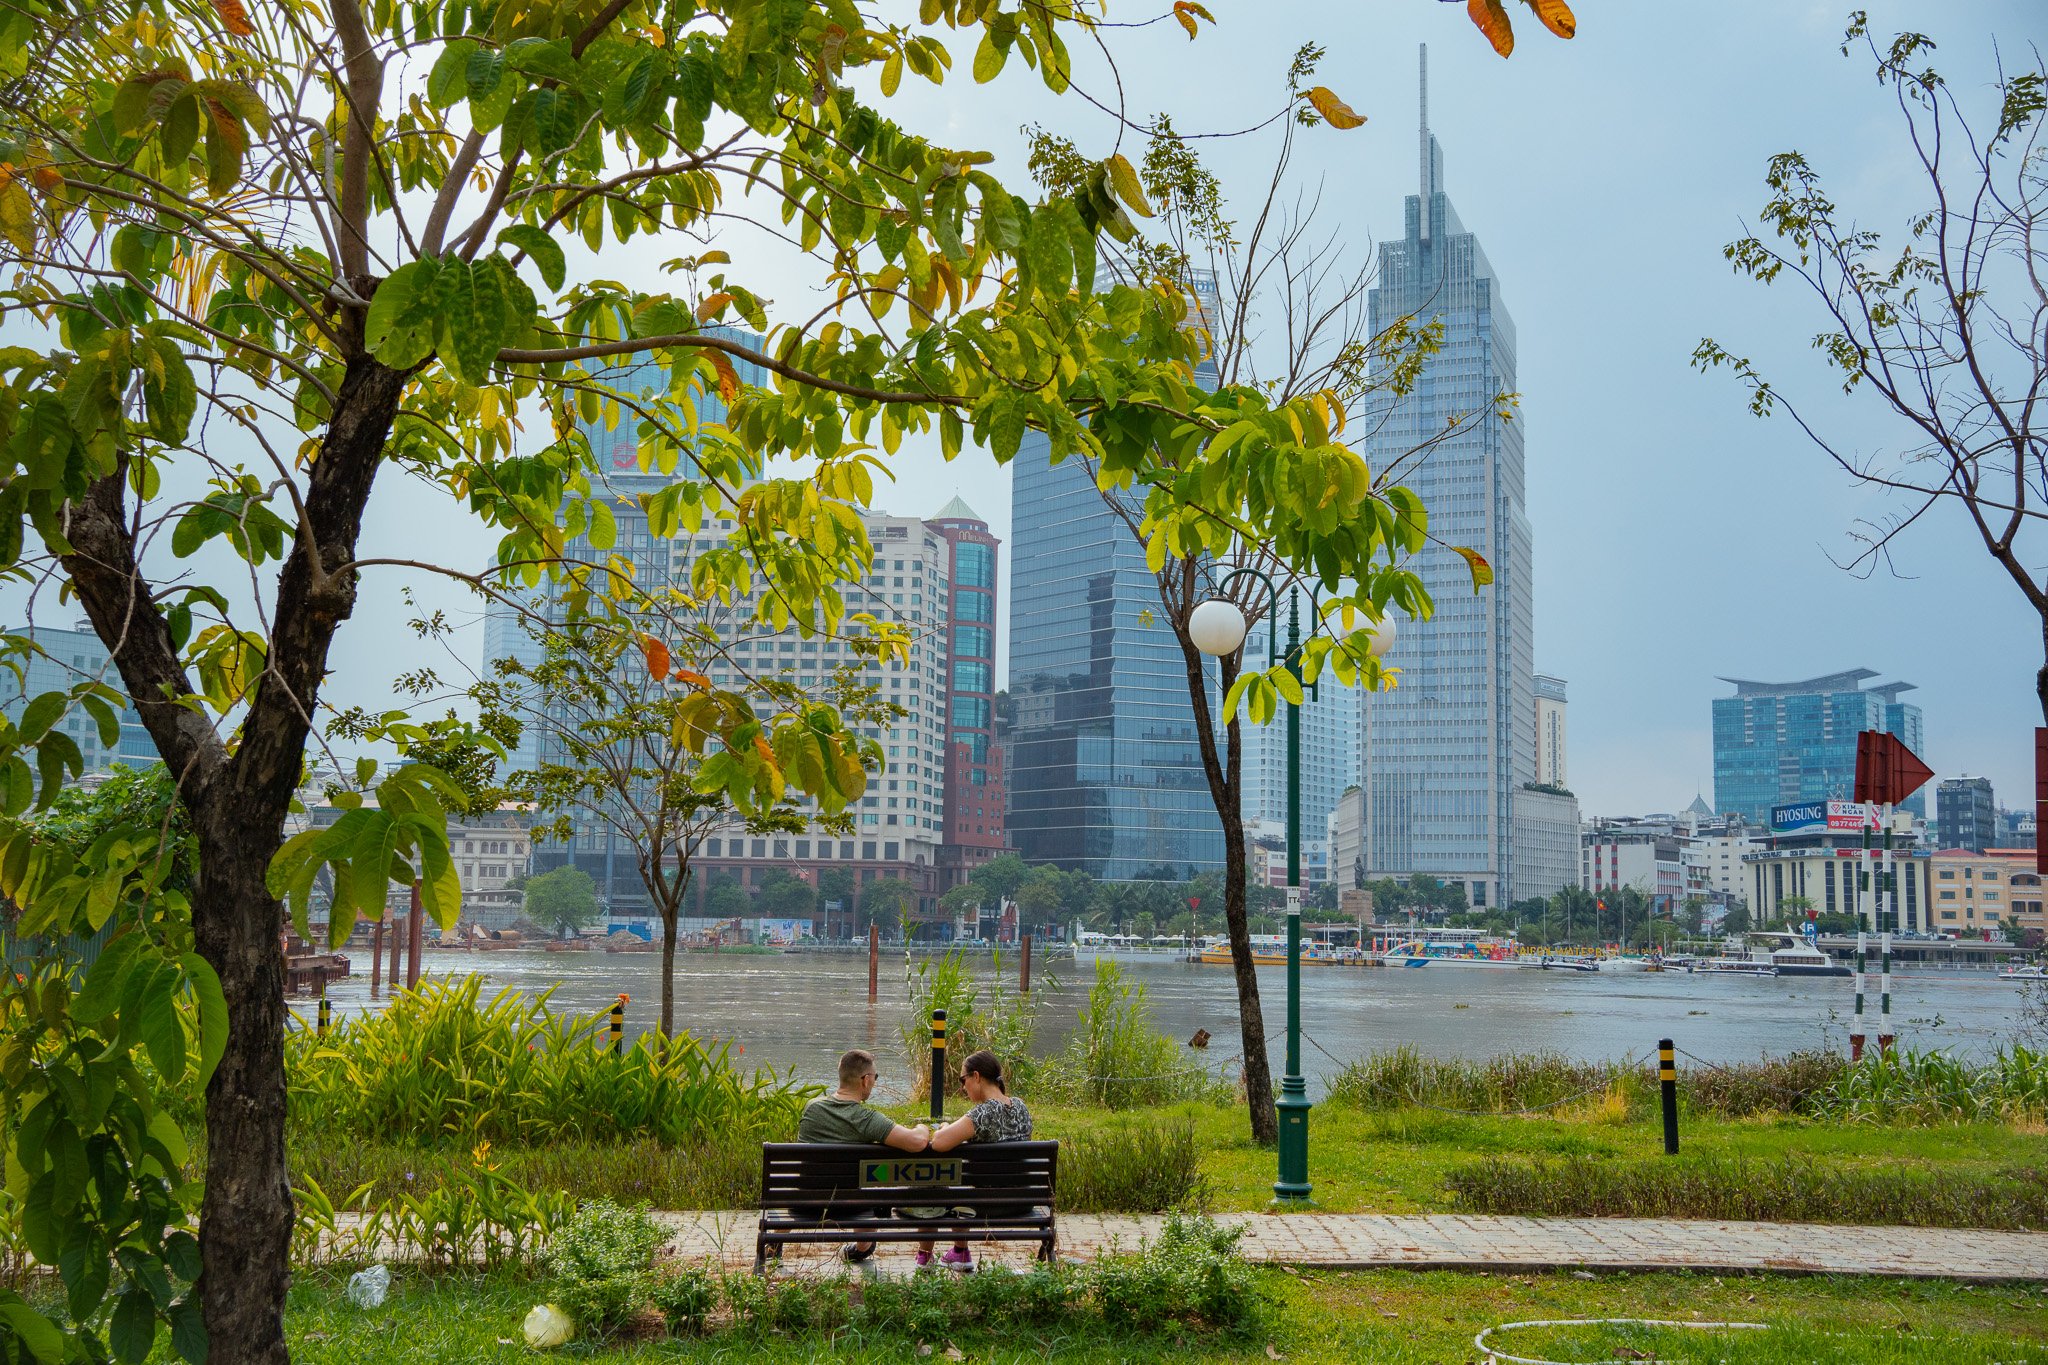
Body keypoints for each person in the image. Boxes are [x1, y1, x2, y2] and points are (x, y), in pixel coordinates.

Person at [798, 1049, 930, 1263]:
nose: (875, 1082)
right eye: (875, 1077)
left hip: (805, 1201)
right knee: (869, 1193)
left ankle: (773, 1245)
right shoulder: (867, 1119)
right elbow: (917, 1142)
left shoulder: (811, 1107)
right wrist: (922, 1127)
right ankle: (863, 1246)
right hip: (851, 1206)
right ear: (866, 1080)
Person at [916, 1049, 1032, 1272]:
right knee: (962, 1187)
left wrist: (945, 1127)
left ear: (976, 1077)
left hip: (985, 1204)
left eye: (963, 1079)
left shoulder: (982, 1113)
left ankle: (926, 1257)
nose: (962, 1087)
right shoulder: (1021, 1107)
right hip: (1021, 1200)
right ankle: (959, 1252)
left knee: (933, 1182)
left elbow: (939, 1143)